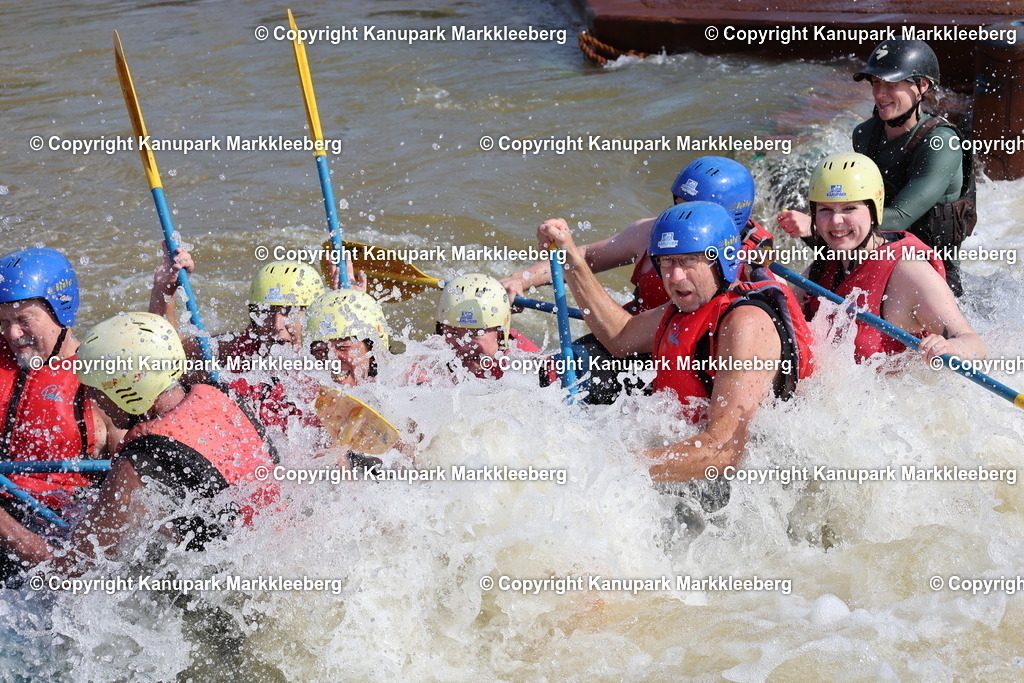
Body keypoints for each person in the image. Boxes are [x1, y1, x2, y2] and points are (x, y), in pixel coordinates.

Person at [537, 202, 813, 483]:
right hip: (692, 456)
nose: (674, 275)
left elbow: (725, 451)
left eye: (688, 260)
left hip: (747, 479)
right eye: (666, 261)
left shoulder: (746, 324)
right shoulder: (686, 308)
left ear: (722, 261)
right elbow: (620, 337)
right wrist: (569, 256)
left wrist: (618, 466)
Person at [0, 312, 277, 576]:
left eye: (97, 389)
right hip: (268, 555)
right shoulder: (219, 394)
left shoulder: (139, 463)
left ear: (127, 388)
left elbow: (71, 572)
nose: (94, 399)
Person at [504, 156, 767, 402]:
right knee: (546, 373)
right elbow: (586, 256)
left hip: (667, 358)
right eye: (678, 205)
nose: (679, 218)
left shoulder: (740, 272)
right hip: (623, 335)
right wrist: (521, 280)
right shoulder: (654, 231)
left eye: (693, 209)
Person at [778, 39, 974, 296]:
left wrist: (815, 224)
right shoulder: (865, 133)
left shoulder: (940, 144)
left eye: (891, 84)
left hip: (930, 272)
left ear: (922, 86)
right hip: (873, 253)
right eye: (876, 83)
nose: (880, 94)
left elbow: (902, 217)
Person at [800, 152, 984, 364]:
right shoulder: (825, 265)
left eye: (849, 208)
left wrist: (952, 348)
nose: (836, 220)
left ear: (874, 210)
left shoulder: (909, 270)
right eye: (825, 210)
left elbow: (973, 343)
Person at [0, 249, 122, 531]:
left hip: (50, 526)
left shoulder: (101, 380)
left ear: (61, 309)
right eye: (4, 322)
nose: (12, 334)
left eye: (24, 320)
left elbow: (132, 483)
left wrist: (162, 294)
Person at [434, 274, 540, 380]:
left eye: (475, 334)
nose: (464, 347)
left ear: (501, 334)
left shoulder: (529, 362)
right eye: (453, 334)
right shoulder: (429, 360)